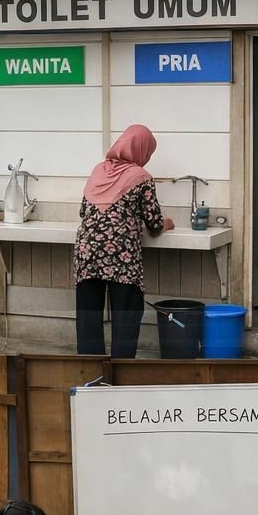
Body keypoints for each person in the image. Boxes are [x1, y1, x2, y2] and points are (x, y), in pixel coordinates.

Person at [73, 124, 173, 358]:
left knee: (89, 317)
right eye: (148, 152)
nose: (147, 157)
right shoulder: (141, 177)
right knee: (126, 314)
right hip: (121, 257)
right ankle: (121, 370)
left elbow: (83, 211)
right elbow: (154, 224)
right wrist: (168, 223)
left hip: (87, 253)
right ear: (140, 149)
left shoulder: (98, 171)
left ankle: (91, 370)